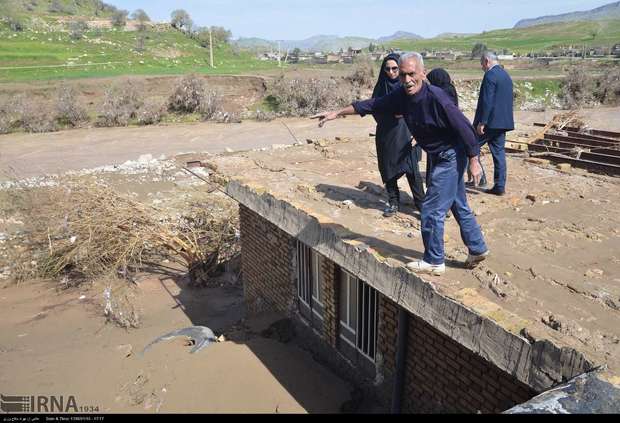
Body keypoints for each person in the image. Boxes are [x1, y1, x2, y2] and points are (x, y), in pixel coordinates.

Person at [311, 52, 489, 275]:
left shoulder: (437, 98)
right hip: (438, 154)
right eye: (403, 75)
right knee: (457, 203)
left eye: (411, 74)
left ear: (423, 73)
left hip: (452, 155)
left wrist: (474, 160)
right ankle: (477, 247)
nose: (407, 80)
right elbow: (371, 105)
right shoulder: (401, 96)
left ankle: (434, 260)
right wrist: (337, 113)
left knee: (431, 209)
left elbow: (464, 127)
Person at [371, 53, 425, 217]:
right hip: (387, 134)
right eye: (387, 69)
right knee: (389, 171)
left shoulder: (408, 86)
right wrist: (390, 115)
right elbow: (374, 109)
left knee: (412, 170)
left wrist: (419, 132)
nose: (391, 72)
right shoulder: (381, 88)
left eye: (395, 68)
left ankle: (422, 205)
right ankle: (393, 202)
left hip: (407, 133)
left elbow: (421, 109)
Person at [470, 51, 514, 196]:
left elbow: (487, 101)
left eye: (482, 63)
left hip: (489, 123)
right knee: (499, 154)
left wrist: (482, 122)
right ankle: (500, 186)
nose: (482, 67)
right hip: (503, 123)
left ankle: (477, 179)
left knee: (469, 145)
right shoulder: (505, 75)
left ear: (487, 61)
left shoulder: (490, 75)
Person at [425, 68, 459, 189]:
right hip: (450, 136)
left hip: (440, 137)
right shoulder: (450, 89)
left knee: (437, 168)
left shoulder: (441, 93)